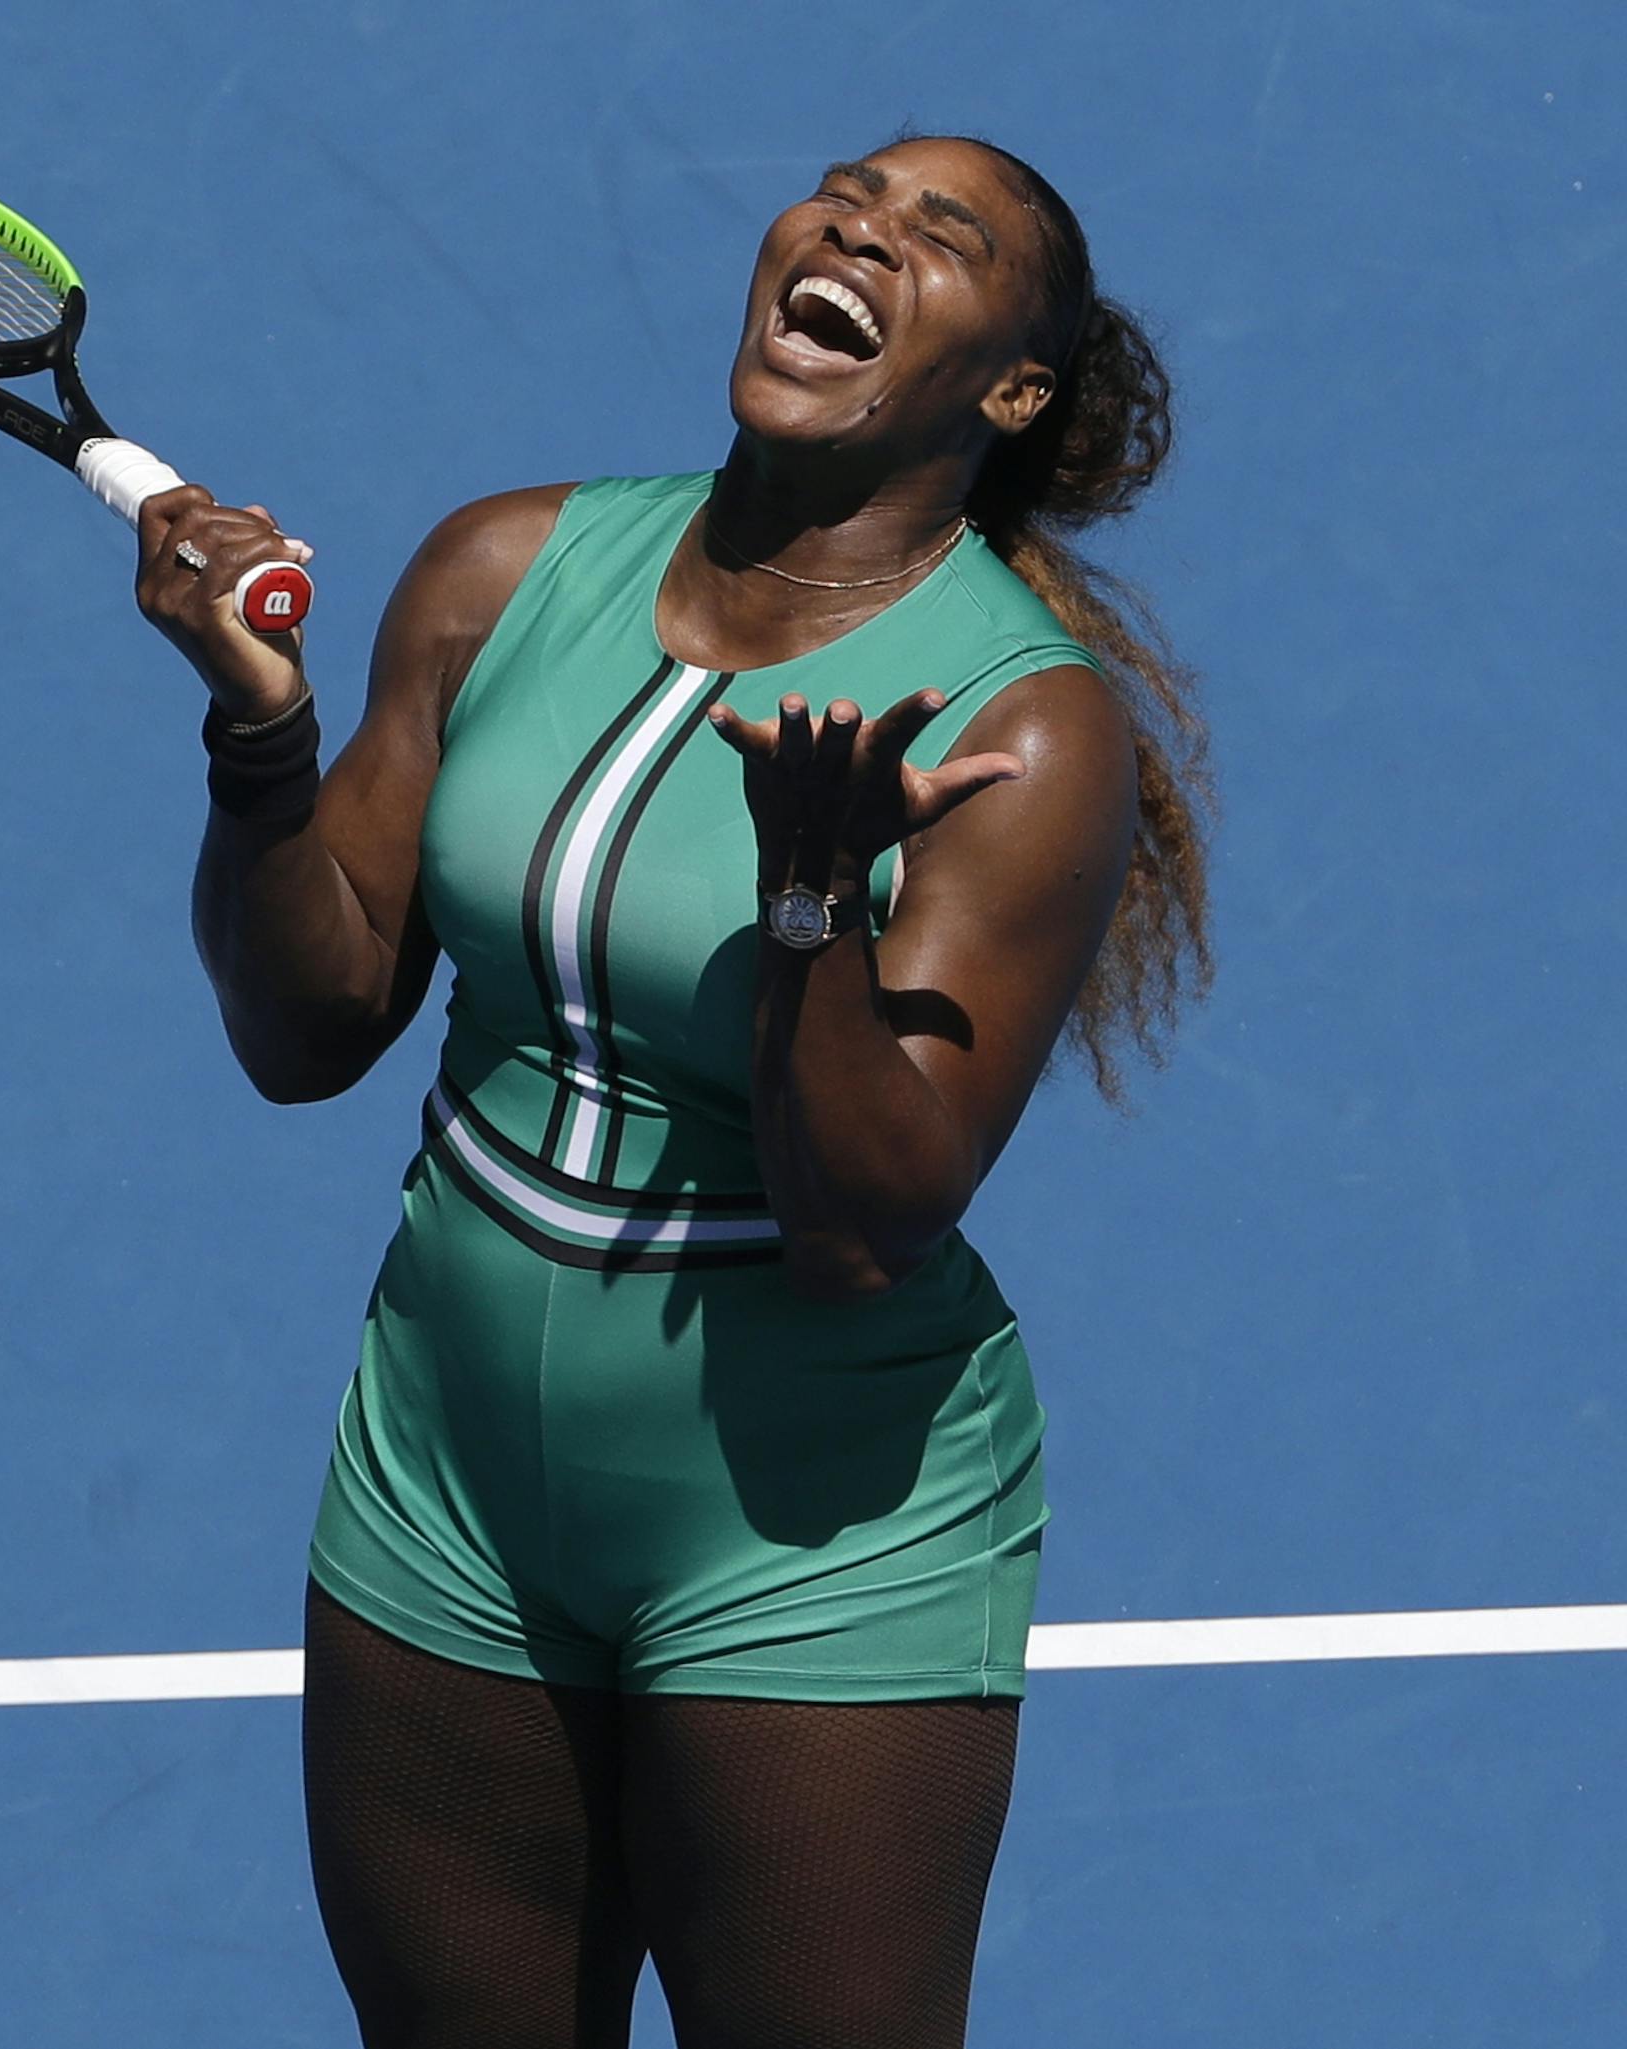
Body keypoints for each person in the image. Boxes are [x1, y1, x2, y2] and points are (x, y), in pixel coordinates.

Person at [135, 130, 1211, 2049]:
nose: (861, 225)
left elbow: (866, 1226)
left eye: (942, 236)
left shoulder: (1027, 729)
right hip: (446, 1489)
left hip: (809, 1539)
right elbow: (307, 1029)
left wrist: (809, 903)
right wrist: (258, 728)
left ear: (1011, 391)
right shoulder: (501, 567)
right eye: (847, 192)